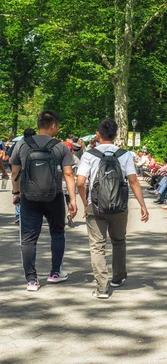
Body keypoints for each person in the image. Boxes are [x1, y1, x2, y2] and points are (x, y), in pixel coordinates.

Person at [76, 119, 149, 299]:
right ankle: (118, 277)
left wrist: (85, 203)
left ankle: (102, 288)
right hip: (119, 206)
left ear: (98, 135)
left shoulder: (89, 154)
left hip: (96, 206)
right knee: (119, 241)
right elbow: (133, 181)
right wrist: (142, 205)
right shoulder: (124, 155)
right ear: (116, 135)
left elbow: (80, 182)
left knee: (97, 247)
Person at [9, 110, 77, 291]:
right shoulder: (61, 147)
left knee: (29, 239)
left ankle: (31, 280)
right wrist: (72, 200)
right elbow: (68, 174)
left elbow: (15, 172)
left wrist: (16, 193)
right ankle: (55, 273)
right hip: (54, 197)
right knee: (57, 233)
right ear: (53, 125)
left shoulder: (22, 145)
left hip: (29, 198)